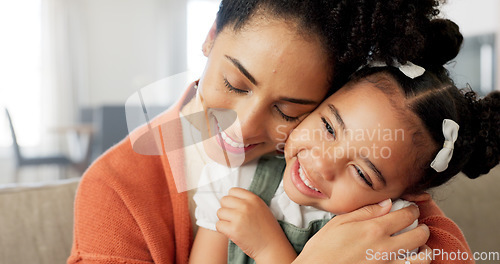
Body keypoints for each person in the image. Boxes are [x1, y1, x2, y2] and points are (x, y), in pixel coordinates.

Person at [68, 1, 473, 263]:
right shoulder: (117, 188)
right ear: (210, 36)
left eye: (288, 110)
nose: (242, 130)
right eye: (234, 83)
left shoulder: (339, 162)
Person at [190, 18, 499, 264]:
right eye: (328, 126)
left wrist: (272, 251)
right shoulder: (234, 182)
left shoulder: (390, 235)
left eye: (362, 173)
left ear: (410, 195)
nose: (322, 164)